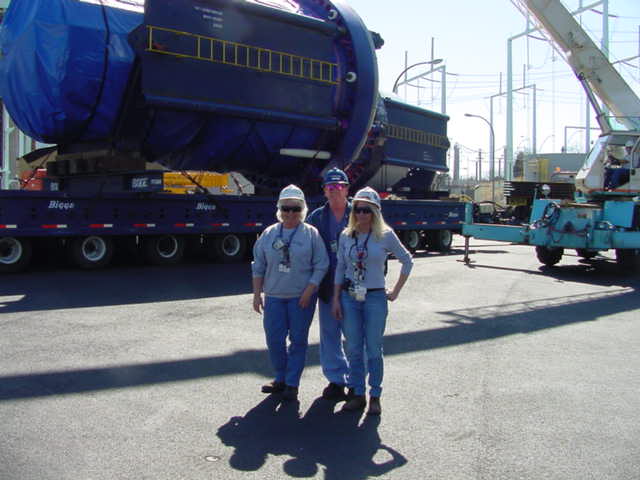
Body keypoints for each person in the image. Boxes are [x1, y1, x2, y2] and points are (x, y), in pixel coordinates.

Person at [332, 187, 413, 415]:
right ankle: (357, 393)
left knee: (374, 349)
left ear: (375, 212)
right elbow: (340, 267)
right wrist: (336, 298)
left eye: (367, 210)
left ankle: (375, 394)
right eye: (358, 209)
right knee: (354, 348)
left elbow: (407, 261)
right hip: (350, 298)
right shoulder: (346, 235)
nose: (361, 214)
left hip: (375, 297)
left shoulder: (385, 235)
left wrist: (395, 291)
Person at [252, 184, 329, 401]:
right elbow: (258, 265)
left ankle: (292, 383)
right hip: (275, 297)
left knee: (298, 340)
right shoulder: (269, 234)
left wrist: (310, 289)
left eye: (295, 208)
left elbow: (321, 264)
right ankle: (280, 378)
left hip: (301, 298)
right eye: (286, 208)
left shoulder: (311, 234)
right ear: (279, 209)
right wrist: (257, 294)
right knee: (274, 339)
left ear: (303, 209)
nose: (290, 213)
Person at [307, 167, 352, 400]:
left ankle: (356, 381)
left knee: (355, 336)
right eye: (330, 187)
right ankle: (336, 380)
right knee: (330, 334)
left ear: (347, 189)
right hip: (326, 288)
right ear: (324, 191)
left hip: (353, 288)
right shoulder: (315, 218)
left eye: (340, 186)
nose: (335, 191)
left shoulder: (361, 213)